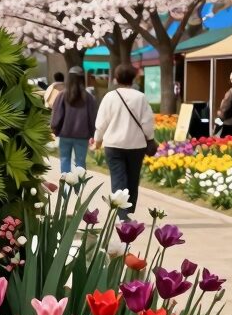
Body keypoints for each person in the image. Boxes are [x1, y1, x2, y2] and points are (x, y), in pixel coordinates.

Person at [94, 63, 155, 221]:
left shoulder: (110, 97)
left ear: (116, 79)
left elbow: (102, 122)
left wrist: (98, 140)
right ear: (133, 78)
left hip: (113, 145)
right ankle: (127, 212)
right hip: (136, 145)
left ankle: (122, 214)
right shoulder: (140, 97)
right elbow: (147, 122)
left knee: (118, 179)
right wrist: (150, 138)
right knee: (133, 179)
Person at [51, 67, 98, 174]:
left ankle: (65, 187)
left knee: (64, 160)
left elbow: (57, 116)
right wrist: (92, 134)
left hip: (65, 134)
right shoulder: (89, 98)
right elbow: (92, 118)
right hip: (82, 136)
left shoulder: (62, 95)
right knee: (80, 163)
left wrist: (55, 129)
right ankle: (78, 189)